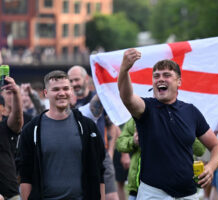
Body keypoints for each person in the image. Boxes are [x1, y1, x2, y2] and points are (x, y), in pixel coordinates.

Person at [118, 48, 218, 199]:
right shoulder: (146, 109)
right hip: (153, 193)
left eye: (167, 75)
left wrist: (211, 168)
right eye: (156, 76)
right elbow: (126, 97)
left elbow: (216, 146)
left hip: (188, 194)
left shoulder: (191, 111)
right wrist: (124, 69)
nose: (160, 79)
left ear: (179, 81)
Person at [19, 70, 106, 200]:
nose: (62, 93)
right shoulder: (31, 130)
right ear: (46, 93)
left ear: (71, 91)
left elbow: (98, 170)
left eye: (66, 88)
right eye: (56, 89)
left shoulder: (87, 127)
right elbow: (25, 175)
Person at [116, 118, 206, 200]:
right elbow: (120, 143)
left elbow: (200, 149)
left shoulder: (182, 117)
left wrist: (182, 131)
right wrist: (133, 141)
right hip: (138, 186)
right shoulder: (136, 119)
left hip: (177, 187)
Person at [68, 65, 119, 200]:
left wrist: (111, 152)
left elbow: (112, 126)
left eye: (76, 80)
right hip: (75, 159)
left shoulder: (95, 101)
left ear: (86, 79)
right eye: (70, 81)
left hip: (100, 156)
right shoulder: (63, 106)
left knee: (110, 196)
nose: (74, 84)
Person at [0, 76, 23, 200]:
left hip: (10, 194)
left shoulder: (5, 128)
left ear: (3, 110)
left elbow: (18, 119)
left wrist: (16, 92)